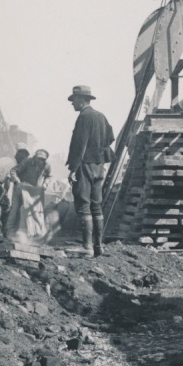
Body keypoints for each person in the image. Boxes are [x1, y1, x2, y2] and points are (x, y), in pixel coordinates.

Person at [66, 85, 115, 258]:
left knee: (84, 203)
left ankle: (86, 247)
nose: (72, 103)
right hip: (99, 165)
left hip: (85, 164)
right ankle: (98, 246)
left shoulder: (84, 117)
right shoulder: (101, 116)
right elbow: (110, 138)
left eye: (74, 100)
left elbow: (79, 145)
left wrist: (73, 168)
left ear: (81, 100)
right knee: (96, 205)